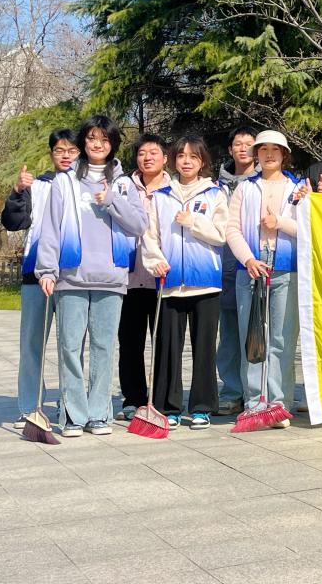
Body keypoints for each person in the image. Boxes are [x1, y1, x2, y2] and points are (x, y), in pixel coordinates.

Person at [35, 115, 148, 437]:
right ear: (84, 142)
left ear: (113, 145)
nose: (98, 144)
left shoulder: (124, 183)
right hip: (71, 275)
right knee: (70, 347)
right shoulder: (64, 181)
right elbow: (50, 228)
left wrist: (111, 200)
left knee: (103, 348)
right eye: (92, 138)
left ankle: (99, 414)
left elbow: (139, 225)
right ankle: (73, 414)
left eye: (105, 139)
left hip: (110, 277)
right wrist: (47, 270)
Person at [141, 136, 228, 430]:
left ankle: (202, 407)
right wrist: (154, 261)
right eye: (181, 156)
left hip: (205, 283)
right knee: (168, 348)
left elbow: (222, 235)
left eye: (193, 156)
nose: (187, 161)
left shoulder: (215, 194)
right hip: (170, 283)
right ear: (173, 160)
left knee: (204, 348)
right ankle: (169, 407)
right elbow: (149, 235)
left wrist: (193, 222)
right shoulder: (161, 196)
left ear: (202, 161)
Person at [0, 129, 78, 428]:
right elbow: (13, 222)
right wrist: (18, 192)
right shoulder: (39, 186)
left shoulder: (85, 186)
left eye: (72, 150)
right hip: (36, 273)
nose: (66, 155)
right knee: (32, 344)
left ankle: (70, 407)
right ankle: (29, 406)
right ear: (51, 154)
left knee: (71, 346)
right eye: (60, 150)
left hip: (74, 275)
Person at [226, 130, 304, 428]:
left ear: (284, 154)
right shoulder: (245, 188)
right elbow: (232, 228)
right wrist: (248, 259)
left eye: (275, 149)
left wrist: (279, 222)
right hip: (251, 268)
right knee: (252, 337)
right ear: (256, 154)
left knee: (282, 338)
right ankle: (255, 402)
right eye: (263, 149)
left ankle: (279, 403)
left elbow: (308, 228)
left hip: (286, 267)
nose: (269, 154)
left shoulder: (298, 189)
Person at [116, 134, 170, 421]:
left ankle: (159, 399)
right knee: (130, 342)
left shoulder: (174, 189)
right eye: (141, 153)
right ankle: (133, 397)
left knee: (163, 342)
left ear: (165, 158)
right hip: (129, 276)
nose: (147, 157)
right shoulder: (123, 186)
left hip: (164, 278)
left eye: (153, 152)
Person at [216, 125, 258, 415]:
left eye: (249, 144)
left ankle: (258, 392)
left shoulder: (267, 181)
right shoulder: (215, 185)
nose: (243, 148)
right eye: (238, 144)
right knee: (229, 333)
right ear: (230, 149)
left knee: (257, 331)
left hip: (256, 266)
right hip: (225, 269)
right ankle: (231, 391)